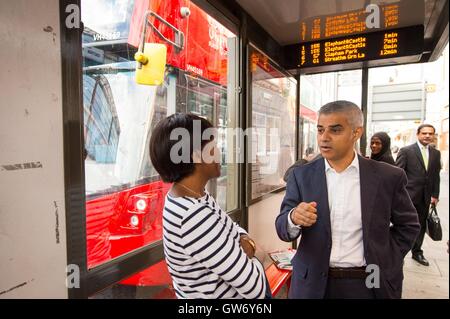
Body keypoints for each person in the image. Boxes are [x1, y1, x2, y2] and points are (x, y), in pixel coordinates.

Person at [275, 100, 420, 299]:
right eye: (320, 130)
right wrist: (293, 218)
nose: (324, 138)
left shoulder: (388, 177)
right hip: (312, 283)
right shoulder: (301, 176)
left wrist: (387, 257)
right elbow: (282, 228)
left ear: (356, 132)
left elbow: (409, 225)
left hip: (369, 280)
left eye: (335, 130)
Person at [149, 113, 270, 299]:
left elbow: (232, 228)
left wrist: (247, 241)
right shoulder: (193, 215)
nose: (219, 151)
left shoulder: (194, 196)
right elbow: (256, 288)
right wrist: (257, 252)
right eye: (213, 146)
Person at [396, 124, 442, 266]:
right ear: (418, 134)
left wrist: (435, 195)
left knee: (421, 225)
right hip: (408, 196)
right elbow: (398, 173)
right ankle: (398, 252)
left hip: (425, 197)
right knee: (403, 224)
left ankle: (417, 252)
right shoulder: (406, 151)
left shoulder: (436, 153)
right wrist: (398, 195)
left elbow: (435, 176)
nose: (427, 136)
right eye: (424, 133)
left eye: (430, 133)